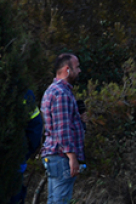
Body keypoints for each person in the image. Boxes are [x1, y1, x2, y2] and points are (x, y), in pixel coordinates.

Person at [40, 53, 85, 204]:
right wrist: (72, 157)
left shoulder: (52, 91)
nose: (79, 71)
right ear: (67, 69)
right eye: (77, 67)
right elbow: (62, 128)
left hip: (54, 156)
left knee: (53, 200)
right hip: (61, 157)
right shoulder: (61, 94)